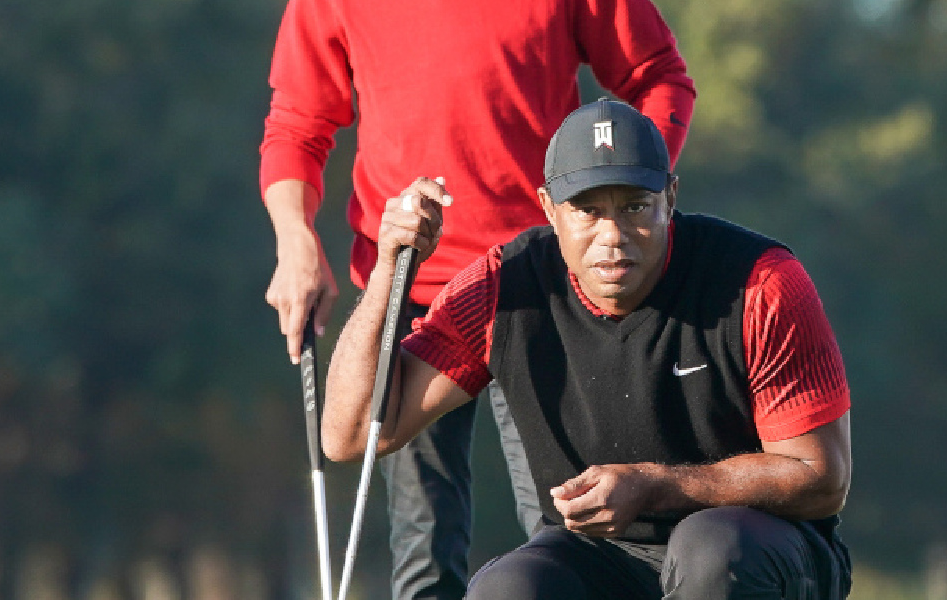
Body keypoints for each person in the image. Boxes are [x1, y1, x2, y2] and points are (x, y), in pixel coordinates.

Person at [259, 0, 697, 600]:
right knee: (424, 553)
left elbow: (657, 78)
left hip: (543, 287)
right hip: (415, 296)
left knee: (573, 532)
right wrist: (293, 244)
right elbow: (296, 129)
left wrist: (623, 204)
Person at [322, 100, 853, 600]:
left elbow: (820, 478)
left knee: (712, 553)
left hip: (761, 546)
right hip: (602, 555)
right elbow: (350, 434)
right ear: (549, 209)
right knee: (505, 590)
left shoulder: (760, 282)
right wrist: (389, 270)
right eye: (588, 209)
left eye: (634, 206)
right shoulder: (503, 287)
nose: (613, 234)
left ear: (670, 197)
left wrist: (657, 486)